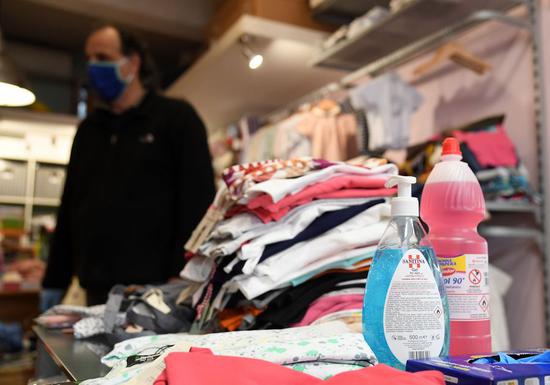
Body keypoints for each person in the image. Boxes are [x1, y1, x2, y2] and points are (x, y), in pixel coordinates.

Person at [41, 24, 216, 307]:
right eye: (89, 58)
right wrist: (55, 280)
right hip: (95, 289)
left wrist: (182, 272)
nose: (93, 66)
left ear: (132, 63)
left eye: (103, 57)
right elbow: (71, 205)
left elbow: (198, 202)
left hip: (158, 289)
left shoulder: (176, 119)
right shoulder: (89, 130)